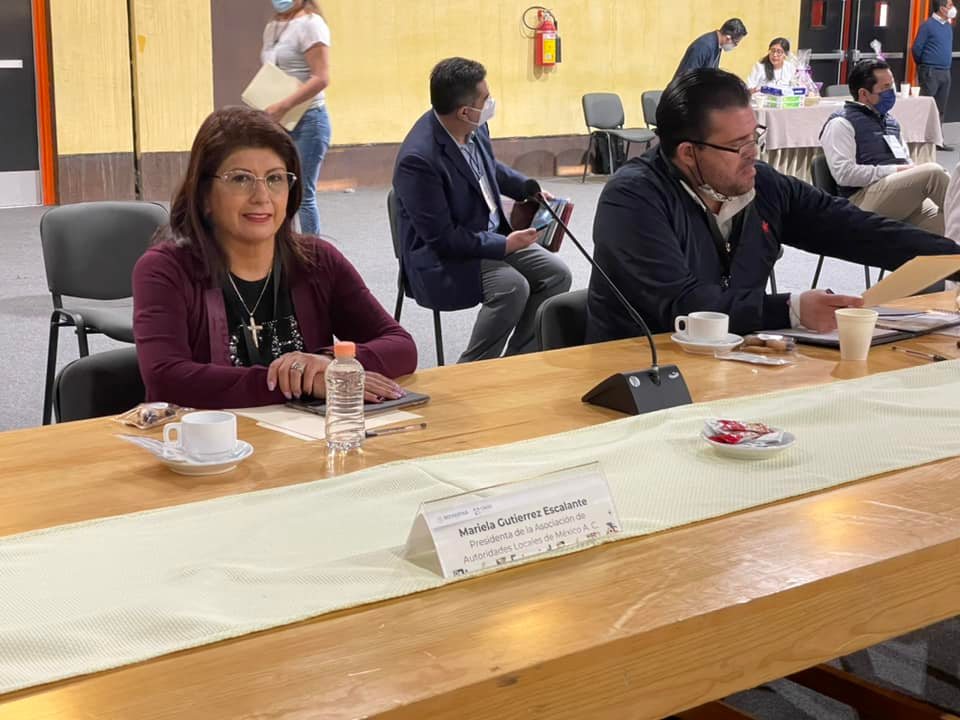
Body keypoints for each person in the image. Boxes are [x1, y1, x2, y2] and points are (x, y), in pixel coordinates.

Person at [584, 68, 959, 343]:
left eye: (755, 138)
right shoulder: (633, 199)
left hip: (734, 361)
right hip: (640, 369)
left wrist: (954, 259)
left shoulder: (762, 184)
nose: (753, 154)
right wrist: (789, 309)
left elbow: (852, 228)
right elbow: (680, 304)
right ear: (688, 153)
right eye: (738, 146)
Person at [133, 106, 416, 409]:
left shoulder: (318, 261)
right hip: (213, 437)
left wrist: (328, 363)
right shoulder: (165, 270)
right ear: (204, 196)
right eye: (240, 179)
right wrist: (298, 382)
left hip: (305, 435)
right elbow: (166, 379)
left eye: (275, 178)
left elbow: (401, 347)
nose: (262, 196)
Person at [392, 57, 572, 363]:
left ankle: (517, 363)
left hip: (487, 234)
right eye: (485, 99)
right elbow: (443, 239)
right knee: (512, 287)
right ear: (464, 111)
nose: (491, 104)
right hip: (443, 257)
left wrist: (528, 188)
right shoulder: (419, 160)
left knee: (557, 275)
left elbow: (488, 168)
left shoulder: (473, 124)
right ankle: (471, 370)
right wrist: (504, 245)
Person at [820, 59, 949, 235]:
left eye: (892, 85)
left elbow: (905, 161)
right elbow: (844, 174)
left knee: (950, 221)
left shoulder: (890, 122)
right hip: (860, 201)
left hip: (894, 196)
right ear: (864, 93)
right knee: (933, 172)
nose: (892, 92)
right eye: (886, 87)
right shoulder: (841, 123)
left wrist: (907, 171)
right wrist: (894, 171)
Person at [260, 0, 332, 235]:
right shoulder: (273, 25)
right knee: (277, 190)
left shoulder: (311, 25)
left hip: (308, 121)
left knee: (302, 194)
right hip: (279, 122)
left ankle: (313, 251)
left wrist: (283, 105)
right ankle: (282, 248)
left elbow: (321, 78)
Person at [911, 0, 955, 150]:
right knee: (926, 106)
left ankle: (937, 141)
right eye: (950, 5)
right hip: (930, 71)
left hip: (945, 71)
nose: (953, 8)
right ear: (942, 8)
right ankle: (921, 141)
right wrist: (924, 65)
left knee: (940, 108)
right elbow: (916, 48)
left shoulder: (948, 26)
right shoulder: (927, 25)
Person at [672, 18, 747, 82]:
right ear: (728, 38)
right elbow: (688, 77)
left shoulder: (717, 46)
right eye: (735, 43)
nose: (735, 46)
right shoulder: (704, 46)